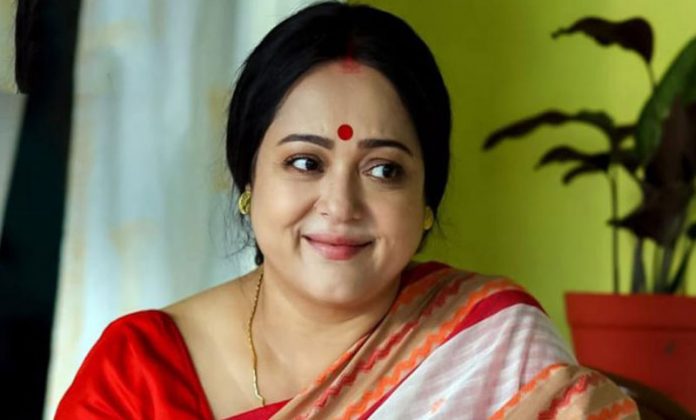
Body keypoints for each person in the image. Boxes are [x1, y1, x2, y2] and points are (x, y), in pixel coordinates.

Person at [55, 2, 638, 419]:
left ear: (426, 200)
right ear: (247, 179)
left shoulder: (497, 350)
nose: (340, 205)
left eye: (384, 170)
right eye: (305, 162)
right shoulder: (139, 374)